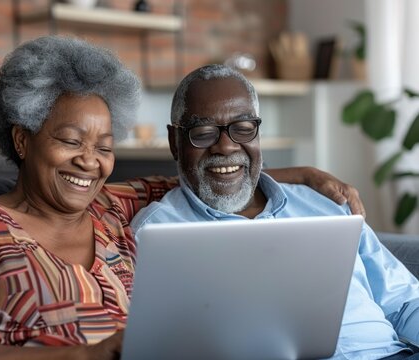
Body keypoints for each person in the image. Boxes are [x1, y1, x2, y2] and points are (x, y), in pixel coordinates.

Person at [0, 36, 365, 359]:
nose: (89, 162)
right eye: (71, 141)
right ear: (21, 140)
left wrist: (302, 175)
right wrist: (86, 355)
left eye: (104, 147)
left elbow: (199, 171)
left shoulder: (111, 207)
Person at [130, 64, 419, 360]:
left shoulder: (325, 203)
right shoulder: (156, 234)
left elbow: (406, 301)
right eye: (203, 133)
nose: (226, 147)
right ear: (174, 143)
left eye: (243, 129)